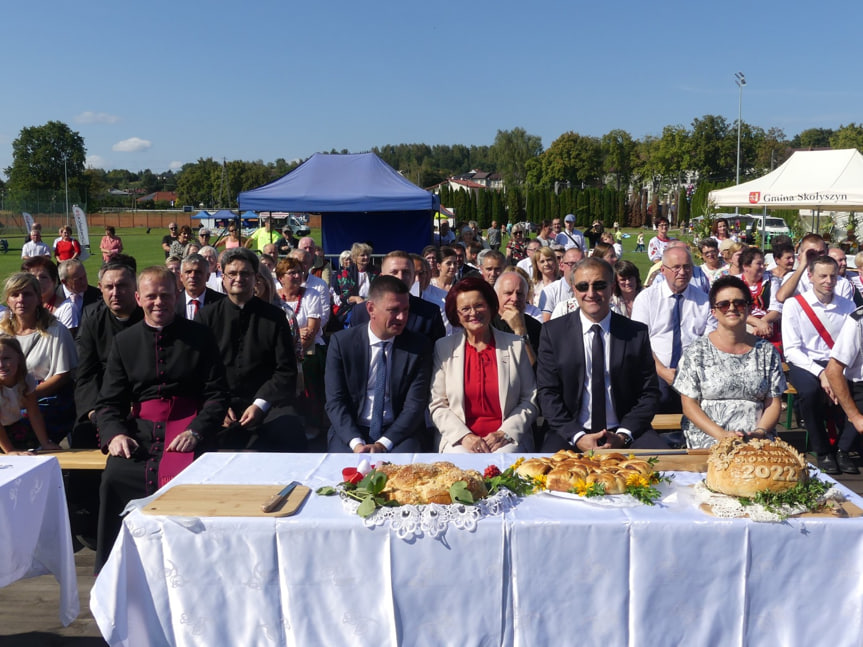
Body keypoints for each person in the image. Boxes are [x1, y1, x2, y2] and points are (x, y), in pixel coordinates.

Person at [95, 266, 229, 571]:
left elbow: (217, 395)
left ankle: (197, 567)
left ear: (177, 295)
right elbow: (108, 402)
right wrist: (115, 434)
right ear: (139, 298)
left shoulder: (200, 337)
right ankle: (118, 569)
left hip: (191, 428)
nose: (159, 302)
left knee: (197, 479)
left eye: (165, 295)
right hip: (140, 434)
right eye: (151, 296)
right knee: (114, 477)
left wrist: (197, 431)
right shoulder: (125, 342)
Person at [537, 258, 663, 451]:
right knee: (544, 476)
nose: (591, 293)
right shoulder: (553, 333)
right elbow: (548, 393)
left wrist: (623, 435)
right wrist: (577, 437)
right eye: (582, 286)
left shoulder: (635, 333)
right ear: (573, 289)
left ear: (612, 287)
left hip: (625, 430)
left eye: (599, 285)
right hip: (570, 432)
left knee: (666, 470)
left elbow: (649, 393)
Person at [196, 248, 305, 452]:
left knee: (290, 431)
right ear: (223, 277)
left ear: (255, 278)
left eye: (245, 273)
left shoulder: (275, 317)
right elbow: (201, 370)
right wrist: (217, 403)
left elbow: (286, 369)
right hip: (221, 403)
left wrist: (260, 404)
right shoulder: (206, 317)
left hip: (268, 404)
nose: (239, 278)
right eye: (233, 273)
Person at [673, 276, 785, 449]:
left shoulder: (766, 352)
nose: (732, 308)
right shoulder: (696, 352)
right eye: (724, 304)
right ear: (713, 311)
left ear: (748, 309)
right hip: (708, 438)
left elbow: (773, 403)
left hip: (756, 439)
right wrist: (722, 435)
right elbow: (689, 405)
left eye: (739, 303)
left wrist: (760, 432)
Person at [325, 275, 433, 453]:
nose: (401, 317)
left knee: (403, 473)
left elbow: (415, 404)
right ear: (371, 308)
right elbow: (335, 401)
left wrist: (383, 443)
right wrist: (356, 443)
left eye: (406, 310)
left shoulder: (418, 347)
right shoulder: (342, 343)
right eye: (393, 310)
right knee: (340, 474)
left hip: (398, 433)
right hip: (352, 430)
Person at [429, 277, 537, 453]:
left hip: (506, 438)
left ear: (491, 307)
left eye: (479, 305)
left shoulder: (515, 345)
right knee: (459, 466)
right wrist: (464, 437)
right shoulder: (444, 347)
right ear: (456, 315)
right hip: (460, 438)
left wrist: (505, 433)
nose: (473, 313)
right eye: (465, 309)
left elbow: (529, 399)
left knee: (503, 465)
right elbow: (438, 404)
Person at [783, 256, 857, 474]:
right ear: (810, 276)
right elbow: (792, 350)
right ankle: (823, 450)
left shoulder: (847, 305)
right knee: (810, 391)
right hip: (806, 363)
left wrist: (836, 371)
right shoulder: (793, 305)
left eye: (832, 276)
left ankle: (843, 449)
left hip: (838, 361)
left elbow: (851, 344)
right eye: (822, 276)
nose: (828, 281)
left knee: (857, 390)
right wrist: (822, 373)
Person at [632, 246, 712, 413]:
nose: (682, 272)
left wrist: (690, 373)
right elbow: (641, 344)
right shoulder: (646, 299)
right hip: (656, 372)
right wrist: (664, 372)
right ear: (663, 270)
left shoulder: (705, 301)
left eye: (687, 267)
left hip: (695, 373)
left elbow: (709, 341)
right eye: (676, 267)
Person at [0, 273, 77, 443]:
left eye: (27, 294)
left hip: (45, 400)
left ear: (37, 297)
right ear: (8, 300)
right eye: (15, 295)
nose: (21, 300)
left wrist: (26, 398)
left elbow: (62, 375)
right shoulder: (2, 332)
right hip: (7, 399)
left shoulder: (56, 331)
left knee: (19, 429)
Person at [350, 251, 446, 345]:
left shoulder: (430, 313)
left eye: (406, 272)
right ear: (381, 277)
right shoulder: (360, 312)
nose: (400, 277)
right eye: (394, 272)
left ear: (413, 278)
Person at [276, 256, 326, 433]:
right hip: (282, 349)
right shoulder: (275, 296)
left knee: (308, 368)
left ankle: (313, 422)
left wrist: (295, 351)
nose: (297, 275)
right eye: (292, 273)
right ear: (281, 277)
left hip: (308, 348)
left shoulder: (311, 294)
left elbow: (311, 330)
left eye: (299, 272)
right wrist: (295, 336)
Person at [0, 337, 60, 454]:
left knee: (33, 452)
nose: (1, 365)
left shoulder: (26, 380)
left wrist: (45, 443)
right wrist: (10, 451)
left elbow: (34, 413)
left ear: (19, 358)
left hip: (12, 427)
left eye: (6, 358)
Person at [492, 269, 540, 364]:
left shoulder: (536, 327)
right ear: (496, 296)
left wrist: (521, 330)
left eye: (519, 294)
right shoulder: (486, 324)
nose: (514, 299)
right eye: (508, 293)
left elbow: (535, 368)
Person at [22, 256, 76, 330]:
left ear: (54, 281)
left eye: (43, 277)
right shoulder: (21, 305)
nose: (38, 281)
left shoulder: (66, 308)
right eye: (32, 277)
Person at [175, 253, 225, 319]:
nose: (192, 275)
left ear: (208, 276)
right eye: (188, 272)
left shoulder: (222, 303)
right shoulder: (173, 303)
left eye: (198, 272)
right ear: (181, 277)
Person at [539, 247, 582, 321]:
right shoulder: (550, 291)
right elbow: (546, 325)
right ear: (562, 266)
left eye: (581, 263)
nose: (577, 268)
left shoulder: (591, 290)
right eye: (571, 264)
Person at [336, 242, 378, 308]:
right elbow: (345, 295)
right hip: (353, 307)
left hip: (373, 305)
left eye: (367, 255)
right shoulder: (347, 272)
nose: (366, 257)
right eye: (362, 255)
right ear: (355, 257)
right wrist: (356, 298)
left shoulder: (375, 271)